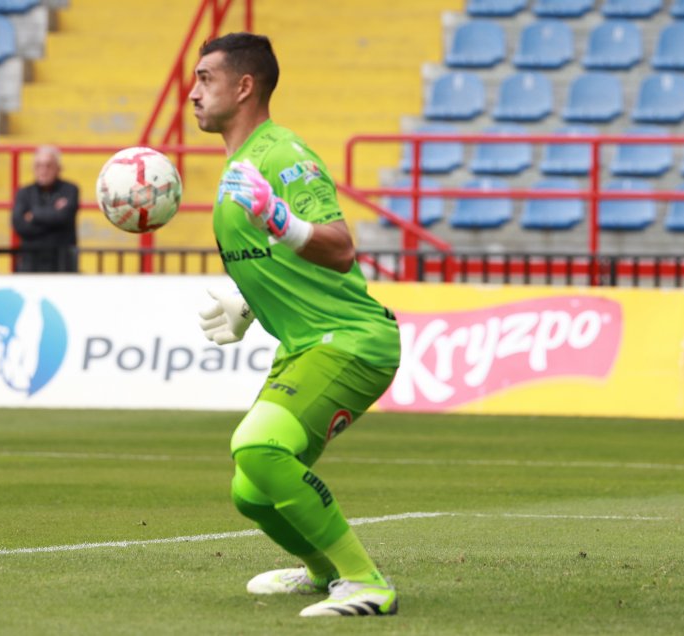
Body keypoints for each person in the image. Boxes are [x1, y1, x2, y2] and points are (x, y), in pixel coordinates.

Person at [191, 32, 401, 618]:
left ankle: (368, 582)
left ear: (244, 85)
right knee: (250, 491)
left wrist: (282, 218)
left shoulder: (282, 153)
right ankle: (325, 573)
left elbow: (339, 249)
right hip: (305, 345)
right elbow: (279, 259)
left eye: (205, 78)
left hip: (351, 341)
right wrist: (247, 304)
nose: (193, 93)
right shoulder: (239, 166)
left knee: (256, 447)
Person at [11, 145, 79, 273]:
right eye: (39, 165)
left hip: (62, 266)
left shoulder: (70, 189)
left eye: (48, 165)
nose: (43, 170)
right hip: (30, 266)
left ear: (58, 168)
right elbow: (19, 225)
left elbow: (64, 218)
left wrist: (33, 215)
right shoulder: (23, 192)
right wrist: (53, 216)